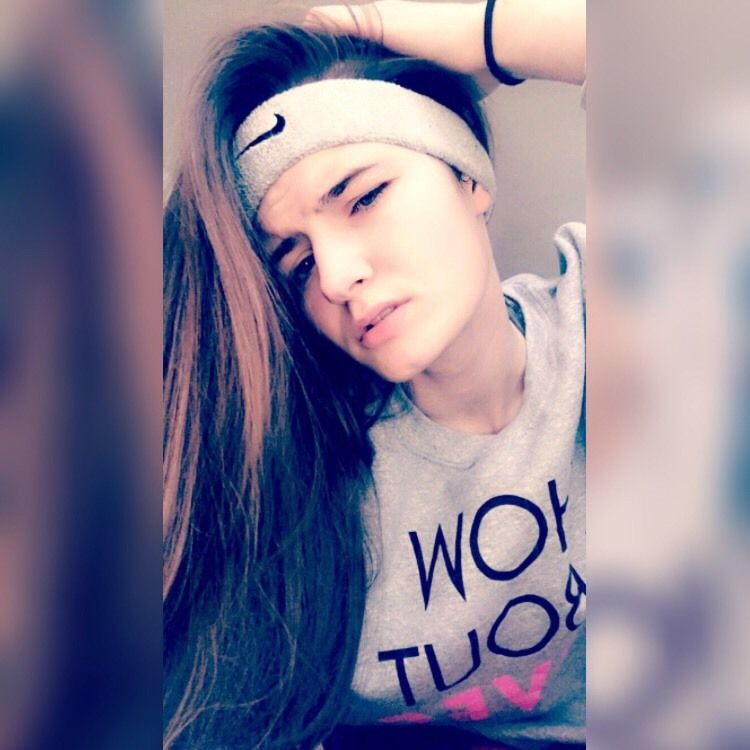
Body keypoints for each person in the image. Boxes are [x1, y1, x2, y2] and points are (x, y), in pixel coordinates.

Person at [163, 2, 585, 748]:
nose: (335, 276)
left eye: (363, 198)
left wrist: (490, 36)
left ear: (468, 177)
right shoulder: (301, 473)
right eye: (296, 261)